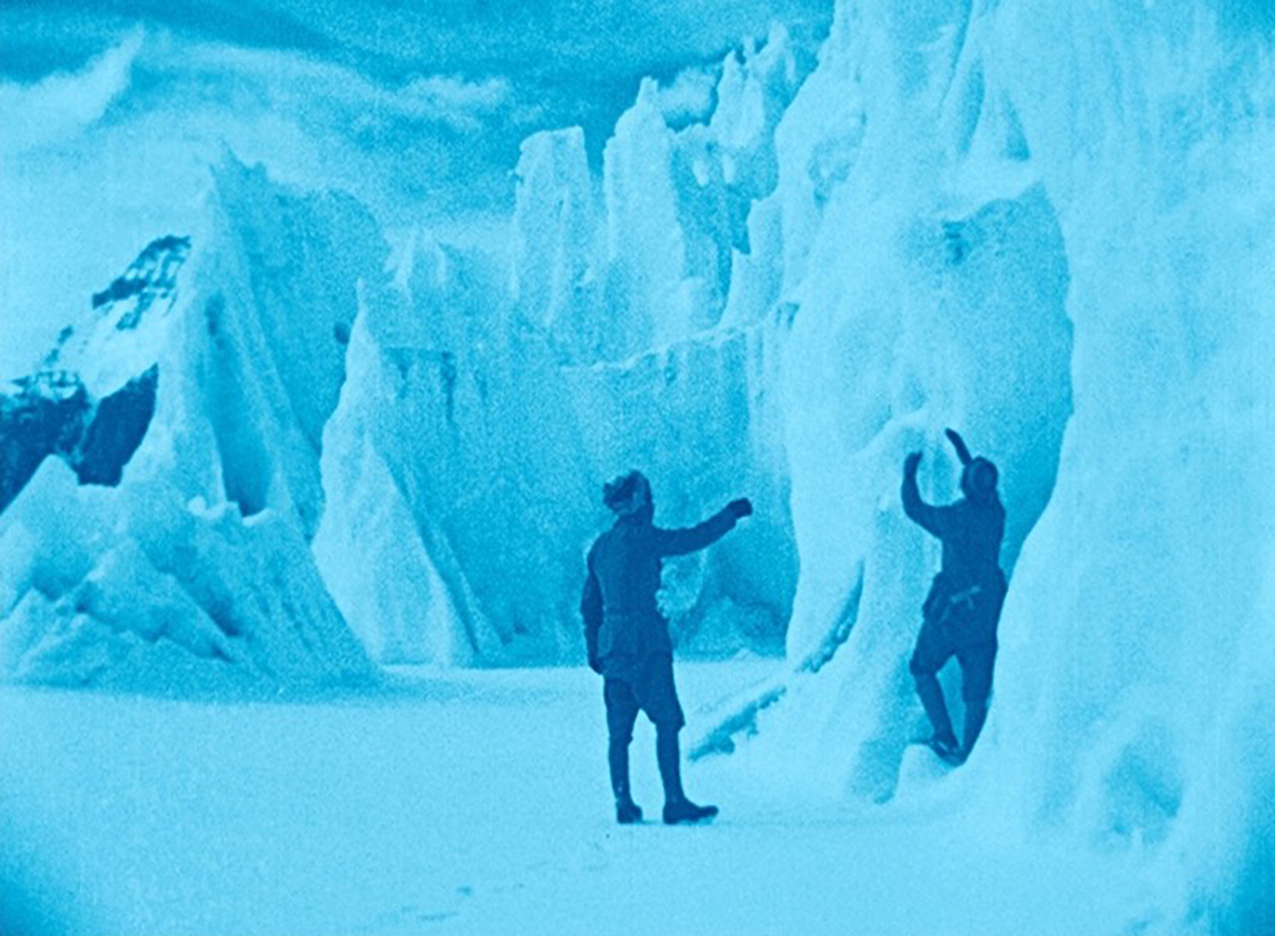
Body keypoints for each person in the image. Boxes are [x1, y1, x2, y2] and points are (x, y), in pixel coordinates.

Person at [581, 470, 752, 824]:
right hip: (645, 643)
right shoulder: (643, 538)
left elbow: (590, 605)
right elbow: (693, 538)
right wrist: (730, 515)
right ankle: (674, 801)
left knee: (619, 731)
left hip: (612, 646)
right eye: (648, 496)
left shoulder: (600, 547)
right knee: (667, 720)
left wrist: (594, 647)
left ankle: (623, 801)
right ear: (637, 501)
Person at [902, 429, 1007, 765]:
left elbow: (914, 508)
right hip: (986, 616)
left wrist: (909, 475)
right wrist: (965, 456)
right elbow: (984, 488)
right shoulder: (996, 515)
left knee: (922, 667)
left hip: (950, 618)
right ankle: (971, 755)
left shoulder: (954, 519)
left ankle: (944, 734)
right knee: (976, 691)